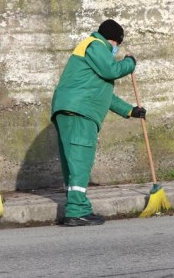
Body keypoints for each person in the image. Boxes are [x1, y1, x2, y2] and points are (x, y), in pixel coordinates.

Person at [51, 19, 147, 226]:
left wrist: (130, 111)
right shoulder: (96, 45)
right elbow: (112, 71)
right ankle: (77, 211)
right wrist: (130, 63)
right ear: (114, 40)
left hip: (70, 109)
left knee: (73, 163)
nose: (115, 50)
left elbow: (102, 94)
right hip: (80, 112)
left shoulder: (90, 51)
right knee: (81, 162)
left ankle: (77, 208)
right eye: (116, 46)